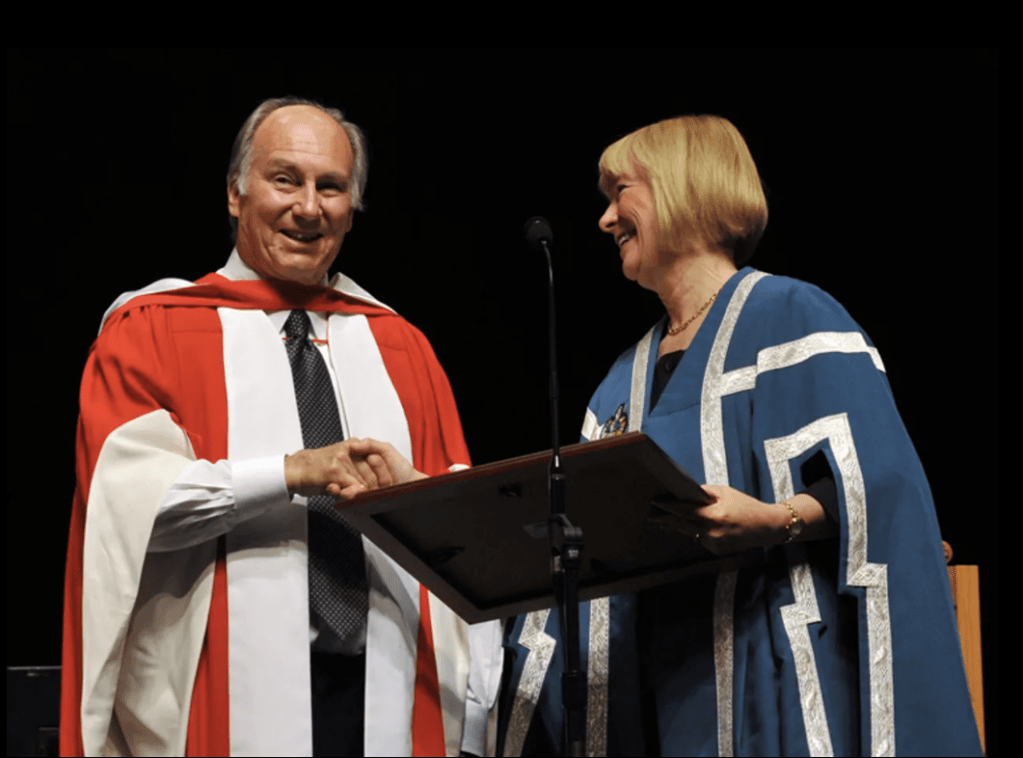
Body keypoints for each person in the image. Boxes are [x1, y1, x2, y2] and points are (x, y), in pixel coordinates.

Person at [499, 116, 983, 756]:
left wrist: (775, 519)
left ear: (680, 188)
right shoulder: (621, 379)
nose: (606, 219)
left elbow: (880, 487)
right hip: (648, 695)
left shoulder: (791, 317)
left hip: (771, 680)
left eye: (621, 192)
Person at [60, 96, 502, 757]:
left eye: (331, 187)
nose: (308, 207)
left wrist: (414, 495)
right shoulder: (150, 330)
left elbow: (468, 543)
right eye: (285, 179)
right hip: (218, 696)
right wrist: (294, 472)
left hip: (388, 689)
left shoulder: (402, 347)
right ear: (236, 195)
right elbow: (129, 513)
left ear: (352, 210)